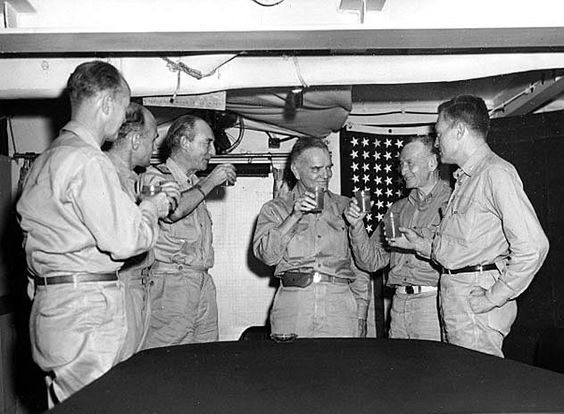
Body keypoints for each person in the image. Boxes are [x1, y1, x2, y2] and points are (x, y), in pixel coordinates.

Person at [16, 61, 179, 404]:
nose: (123, 120)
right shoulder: (88, 160)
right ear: (107, 104)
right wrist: (151, 208)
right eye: (123, 108)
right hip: (86, 311)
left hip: (53, 306)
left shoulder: (47, 160)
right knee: (96, 406)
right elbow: (125, 241)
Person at [393, 95, 549, 357]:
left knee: (478, 391)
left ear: (460, 131)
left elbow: (534, 246)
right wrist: (421, 245)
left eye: (439, 133)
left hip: (474, 305)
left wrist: (493, 297)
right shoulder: (466, 178)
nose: (437, 141)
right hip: (457, 299)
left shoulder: (495, 173)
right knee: (460, 388)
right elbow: (467, 247)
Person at [253, 137, 371, 338]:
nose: (326, 175)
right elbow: (267, 256)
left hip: (339, 305)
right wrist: (294, 216)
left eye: (329, 167)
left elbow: (361, 266)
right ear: (296, 171)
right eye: (316, 169)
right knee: (291, 368)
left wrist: (360, 314)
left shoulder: (346, 206)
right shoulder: (275, 209)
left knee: (339, 368)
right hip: (294, 302)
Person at [141, 114, 236, 348]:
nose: (213, 151)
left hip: (201, 281)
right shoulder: (155, 176)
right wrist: (210, 182)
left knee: (206, 360)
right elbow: (172, 211)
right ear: (184, 142)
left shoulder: (193, 184)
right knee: (168, 360)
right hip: (171, 284)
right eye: (207, 143)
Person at [344, 136, 451, 341]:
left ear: (432, 163)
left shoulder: (453, 202)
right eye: (401, 164)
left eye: (409, 163)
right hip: (399, 304)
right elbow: (371, 261)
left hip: (434, 304)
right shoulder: (398, 209)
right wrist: (356, 226)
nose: (402, 171)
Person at [105, 102, 179, 359]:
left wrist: (159, 196)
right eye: (152, 138)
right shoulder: (103, 174)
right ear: (136, 139)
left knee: (132, 370)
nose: (155, 146)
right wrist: (150, 203)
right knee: (117, 372)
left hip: (139, 285)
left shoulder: (133, 178)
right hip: (120, 286)